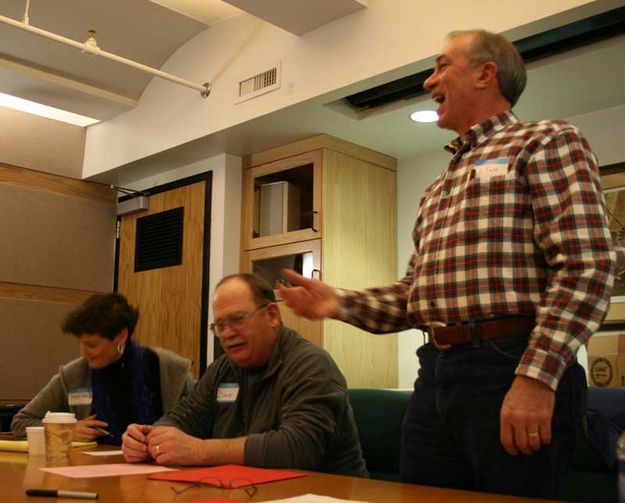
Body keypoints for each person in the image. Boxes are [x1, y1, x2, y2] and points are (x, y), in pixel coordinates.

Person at [279, 29, 615, 499]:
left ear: (485, 73)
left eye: (441, 66)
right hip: (435, 369)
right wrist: (339, 302)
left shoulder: (545, 141)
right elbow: (415, 297)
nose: (427, 81)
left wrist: (536, 377)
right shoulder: (438, 187)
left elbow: (588, 266)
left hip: (511, 365)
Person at [121, 273, 367, 477]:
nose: (227, 333)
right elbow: (186, 416)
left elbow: (299, 448)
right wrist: (149, 439)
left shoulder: (311, 364)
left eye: (237, 319)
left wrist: (200, 451)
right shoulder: (223, 368)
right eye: (220, 326)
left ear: (272, 315)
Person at [11, 293, 196, 445]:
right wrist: (65, 431)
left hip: (159, 473)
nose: (84, 353)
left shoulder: (169, 368)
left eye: (91, 345)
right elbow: (21, 423)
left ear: (121, 336)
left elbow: (205, 422)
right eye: (81, 344)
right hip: (92, 472)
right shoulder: (74, 374)